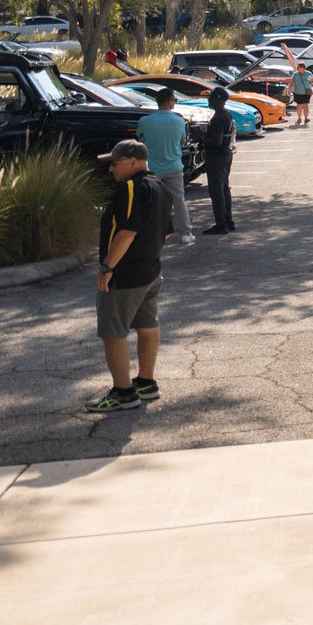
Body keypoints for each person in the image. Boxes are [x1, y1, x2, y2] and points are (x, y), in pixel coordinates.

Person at [85, 140, 169, 412]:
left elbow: (127, 231)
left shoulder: (131, 188)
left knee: (113, 333)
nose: (111, 169)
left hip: (126, 274)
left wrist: (107, 268)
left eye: (115, 162)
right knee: (147, 326)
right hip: (150, 271)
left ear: (133, 161)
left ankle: (123, 392)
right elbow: (166, 231)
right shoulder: (160, 186)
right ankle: (146, 383)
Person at [136, 88, 195, 245]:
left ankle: (153, 233)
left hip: (153, 167)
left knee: (152, 201)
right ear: (169, 101)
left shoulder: (144, 121)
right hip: (174, 166)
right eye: (174, 100)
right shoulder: (179, 121)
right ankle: (185, 233)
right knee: (178, 199)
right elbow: (182, 141)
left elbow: (139, 138)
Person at [202, 88, 237, 235]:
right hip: (225, 154)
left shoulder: (218, 118)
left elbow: (217, 141)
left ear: (219, 99)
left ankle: (221, 223)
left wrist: (201, 138)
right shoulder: (226, 114)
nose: (209, 100)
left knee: (216, 190)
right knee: (224, 188)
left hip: (217, 156)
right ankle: (228, 221)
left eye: (211, 98)